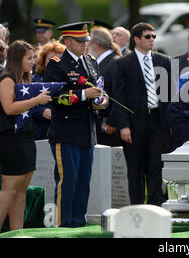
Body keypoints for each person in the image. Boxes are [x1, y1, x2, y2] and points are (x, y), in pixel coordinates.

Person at [43, 21, 107, 227]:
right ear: (68, 41)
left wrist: (100, 101)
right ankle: (63, 225)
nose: (85, 44)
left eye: (86, 40)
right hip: (66, 130)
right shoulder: (56, 63)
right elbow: (54, 97)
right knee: (67, 182)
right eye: (80, 41)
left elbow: (98, 88)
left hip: (87, 130)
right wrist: (82, 94)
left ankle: (78, 223)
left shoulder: (90, 61)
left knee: (83, 183)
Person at [111, 22, 172, 206]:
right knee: (135, 170)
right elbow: (118, 97)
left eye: (154, 36)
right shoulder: (122, 63)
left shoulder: (163, 61)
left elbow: (169, 94)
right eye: (148, 36)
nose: (152, 39)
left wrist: (169, 123)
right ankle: (137, 208)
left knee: (155, 168)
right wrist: (123, 125)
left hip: (157, 121)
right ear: (136, 39)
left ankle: (155, 209)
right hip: (134, 122)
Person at [0, 40, 52, 231]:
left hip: (27, 138)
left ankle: (17, 232)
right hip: (11, 140)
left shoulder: (24, 79)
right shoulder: (7, 79)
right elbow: (9, 108)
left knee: (22, 191)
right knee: (9, 190)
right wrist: (36, 100)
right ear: (17, 58)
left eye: (34, 58)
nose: (33, 62)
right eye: (29, 58)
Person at [87, 27, 122, 147]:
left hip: (109, 127)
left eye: (88, 43)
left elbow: (120, 96)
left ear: (96, 44)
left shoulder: (115, 62)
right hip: (99, 124)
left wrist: (112, 123)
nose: (86, 46)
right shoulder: (98, 63)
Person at [31, 41, 66, 140]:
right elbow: (24, 103)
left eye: (58, 59)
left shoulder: (68, 82)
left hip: (62, 132)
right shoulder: (34, 80)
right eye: (50, 59)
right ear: (43, 60)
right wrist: (41, 111)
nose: (54, 62)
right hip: (39, 131)